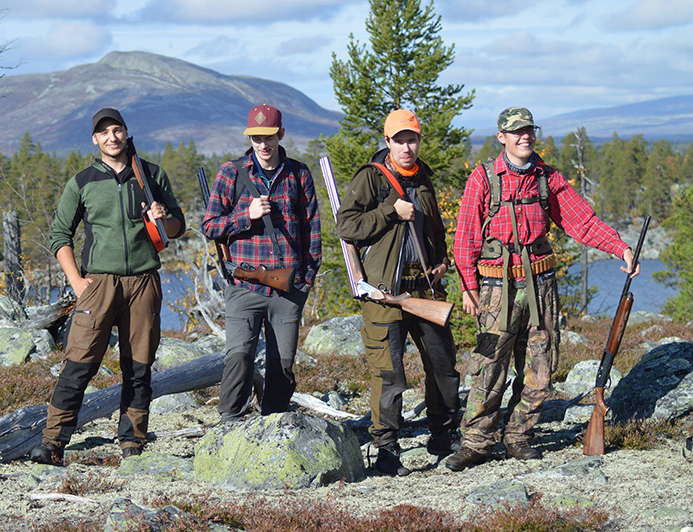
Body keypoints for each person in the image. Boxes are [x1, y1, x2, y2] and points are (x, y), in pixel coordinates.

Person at [446, 106, 639, 472]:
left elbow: (581, 221)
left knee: (541, 366)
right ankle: (476, 441)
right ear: (501, 136)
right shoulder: (483, 179)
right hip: (495, 290)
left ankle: (519, 435)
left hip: (541, 286)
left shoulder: (547, 178)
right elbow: (465, 239)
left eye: (529, 131)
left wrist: (621, 247)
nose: (525, 137)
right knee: (489, 365)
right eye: (516, 132)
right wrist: (468, 289)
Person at [30, 108, 185, 465]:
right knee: (78, 365)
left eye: (117, 130)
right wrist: (77, 281)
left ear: (127, 133)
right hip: (98, 285)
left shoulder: (151, 175)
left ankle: (133, 443)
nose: (112, 137)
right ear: (95, 140)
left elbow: (179, 226)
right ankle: (53, 443)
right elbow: (59, 235)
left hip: (144, 282)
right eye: (104, 133)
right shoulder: (83, 182)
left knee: (139, 367)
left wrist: (167, 220)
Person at [336, 109, 460, 476]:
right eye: (400, 140)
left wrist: (441, 261)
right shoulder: (371, 179)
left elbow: (435, 231)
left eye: (413, 139)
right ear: (387, 142)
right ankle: (386, 450)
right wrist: (391, 211)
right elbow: (346, 225)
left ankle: (443, 434)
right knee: (388, 374)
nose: (407, 147)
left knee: (443, 366)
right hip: (384, 293)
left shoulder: (424, 179)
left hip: (424, 289)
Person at [201, 104, 321, 422]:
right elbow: (210, 226)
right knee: (238, 360)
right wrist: (246, 215)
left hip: (288, 290)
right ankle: (229, 425)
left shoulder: (299, 174)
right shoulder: (232, 173)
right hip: (244, 285)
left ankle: (275, 424)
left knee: (282, 366)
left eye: (268, 137)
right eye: (256, 137)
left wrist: (305, 281)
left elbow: (312, 230)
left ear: (280, 134)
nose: (262, 145)